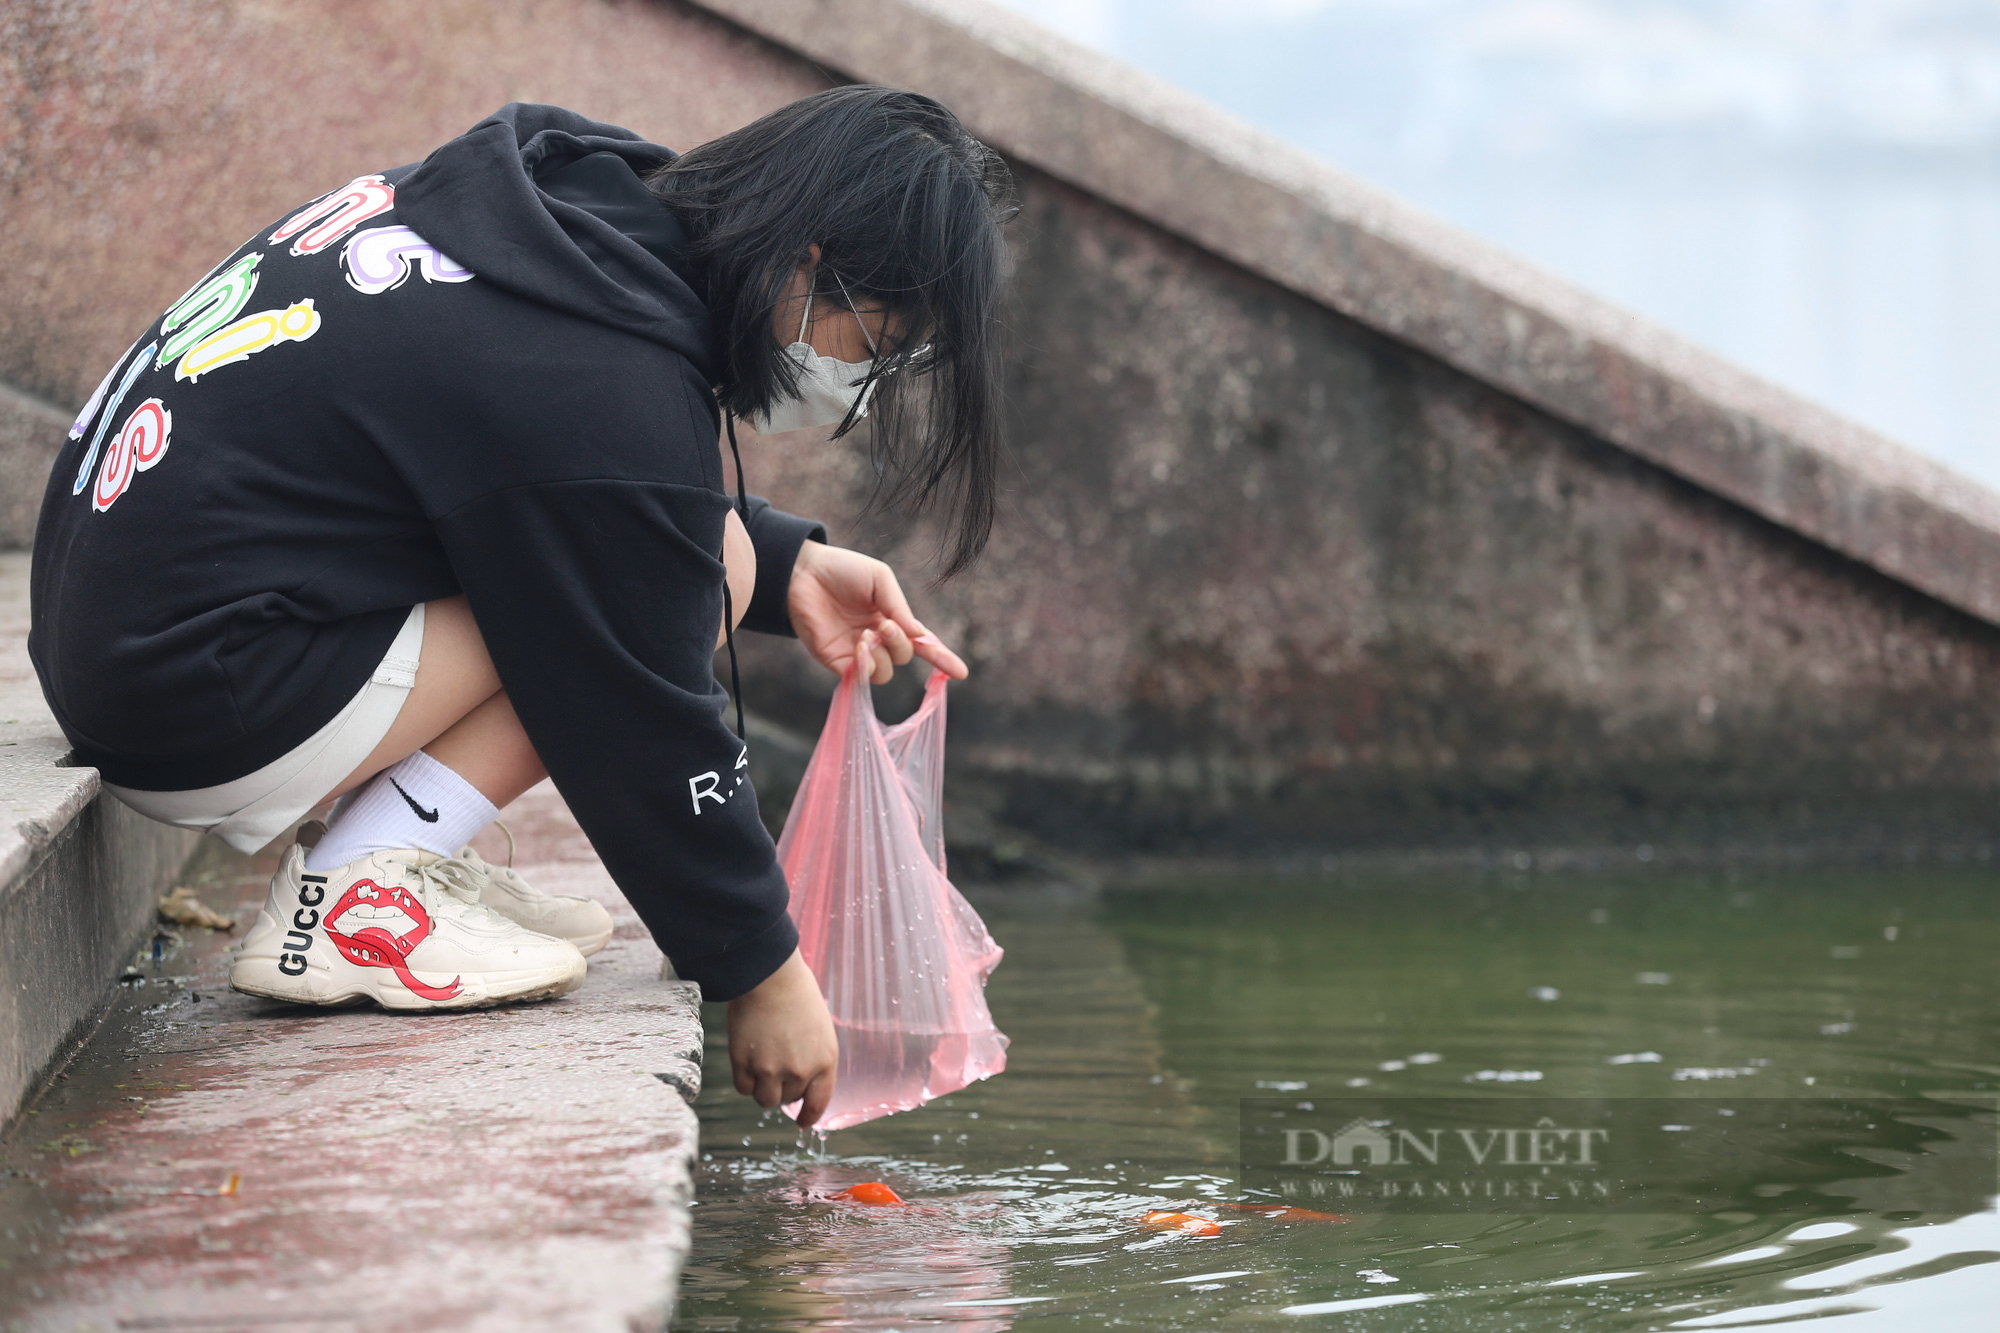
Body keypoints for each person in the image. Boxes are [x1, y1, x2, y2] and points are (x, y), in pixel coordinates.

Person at [28, 89, 1013, 1129]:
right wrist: (761, 968)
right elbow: (635, 692)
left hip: (120, 624)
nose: (858, 382)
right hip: (187, 692)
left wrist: (784, 566)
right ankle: (360, 891)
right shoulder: (594, 363)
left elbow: (568, 473)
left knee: (680, 565)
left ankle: (399, 849)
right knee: (629, 609)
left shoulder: (558, 221)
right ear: (806, 262)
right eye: (874, 340)